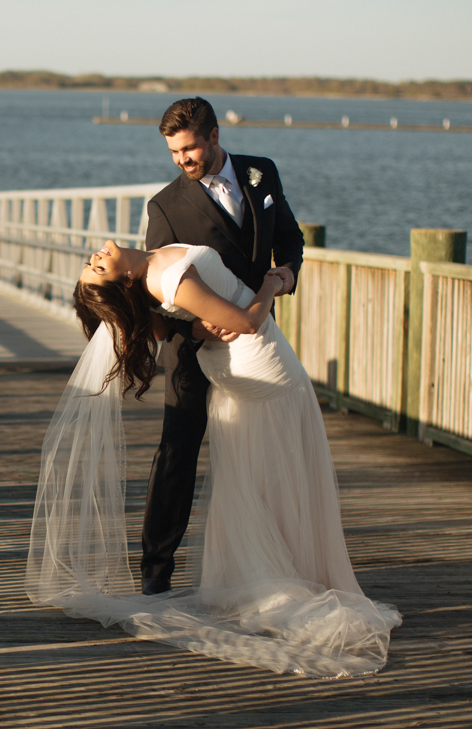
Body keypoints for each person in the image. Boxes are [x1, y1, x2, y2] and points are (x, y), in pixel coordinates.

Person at [24, 241, 401, 678]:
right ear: (125, 279)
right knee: (280, 473)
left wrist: (199, 327)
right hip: (261, 366)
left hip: (227, 368)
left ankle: (273, 569)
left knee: (252, 477)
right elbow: (247, 321)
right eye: (99, 267)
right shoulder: (166, 277)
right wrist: (271, 282)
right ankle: (285, 576)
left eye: (92, 263)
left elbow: (164, 331)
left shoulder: (152, 274)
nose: (96, 256)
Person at [141, 97, 305, 596]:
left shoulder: (262, 173)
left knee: (261, 457)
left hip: (254, 346)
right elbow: (153, 301)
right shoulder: (165, 207)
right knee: (178, 455)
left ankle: (264, 566)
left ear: (214, 136)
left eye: (189, 148)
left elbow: (290, 236)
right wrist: (193, 330)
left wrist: (288, 272)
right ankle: (156, 575)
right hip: (194, 351)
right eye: (173, 152)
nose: (182, 160)